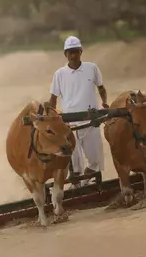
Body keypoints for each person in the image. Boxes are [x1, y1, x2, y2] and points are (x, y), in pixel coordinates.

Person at [48, 36, 109, 188]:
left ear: (81, 52)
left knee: (95, 161)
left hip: (90, 120)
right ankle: (78, 187)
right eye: (70, 52)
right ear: (65, 54)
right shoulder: (59, 74)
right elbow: (53, 98)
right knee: (74, 165)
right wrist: (52, 115)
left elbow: (101, 87)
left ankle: (82, 184)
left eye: (76, 52)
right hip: (70, 124)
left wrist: (105, 102)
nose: (73, 55)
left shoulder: (92, 68)